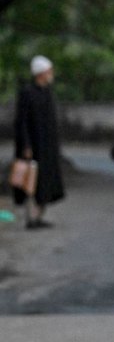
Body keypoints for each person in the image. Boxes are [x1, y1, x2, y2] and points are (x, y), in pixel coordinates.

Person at [13, 55, 65, 229]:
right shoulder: (27, 93)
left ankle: (39, 215)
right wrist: (26, 145)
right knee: (31, 183)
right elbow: (22, 122)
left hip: (48, 146)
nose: (51, 74)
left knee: (46, 182)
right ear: (41, 73)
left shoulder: (47, 92)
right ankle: (31, 218)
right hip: (33, 146)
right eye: (49, 71)